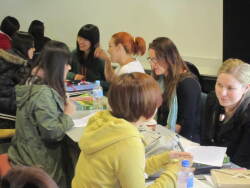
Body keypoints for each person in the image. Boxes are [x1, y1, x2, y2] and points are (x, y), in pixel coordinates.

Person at [72, 72, 192, 188]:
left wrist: (165, 158)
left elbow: (130, 169)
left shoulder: (105, 123)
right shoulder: (128, 141)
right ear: (147, 108)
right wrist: (173, 173)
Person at [7, 40, 75, 187]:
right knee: (75, 163)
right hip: (37, 162)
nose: (69, 67)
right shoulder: (43, 93)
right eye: (66, 64)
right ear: (57, 67)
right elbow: (52, 133)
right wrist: (67, 115)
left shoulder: (32, 81)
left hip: (22, 152)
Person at [148, 37, 201, 142]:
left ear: (169, 58)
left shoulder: (188, 84)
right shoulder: (162, 80)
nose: (153, 64)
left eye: (156, 59)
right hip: (165, 134)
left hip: (184, 141)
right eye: (151, 59)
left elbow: (185, 126)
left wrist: (156, 132)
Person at [201, 58, 250, 169]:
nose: (222, 93)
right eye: (219, 85)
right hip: (212, 167)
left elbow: (242, 161)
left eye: (230, 88)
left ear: (246, 88)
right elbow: (205, 141)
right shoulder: (213, 99)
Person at [0, 31, 35, 153]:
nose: (34, 50)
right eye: (32, 47)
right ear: (25, 49)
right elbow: (26, 95)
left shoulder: (5, 57)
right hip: (7, 117)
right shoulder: (21, 66)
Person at [66, 24, 108, 92]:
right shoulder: (74, 54)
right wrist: (74, 76)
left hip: (94, 94)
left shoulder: (101, 58)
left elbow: (109, 84)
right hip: (76, 92)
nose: (81, 42)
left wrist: (91, 83)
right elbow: (62, 72)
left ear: (93, 41)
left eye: (85, 39)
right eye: (79, 38)